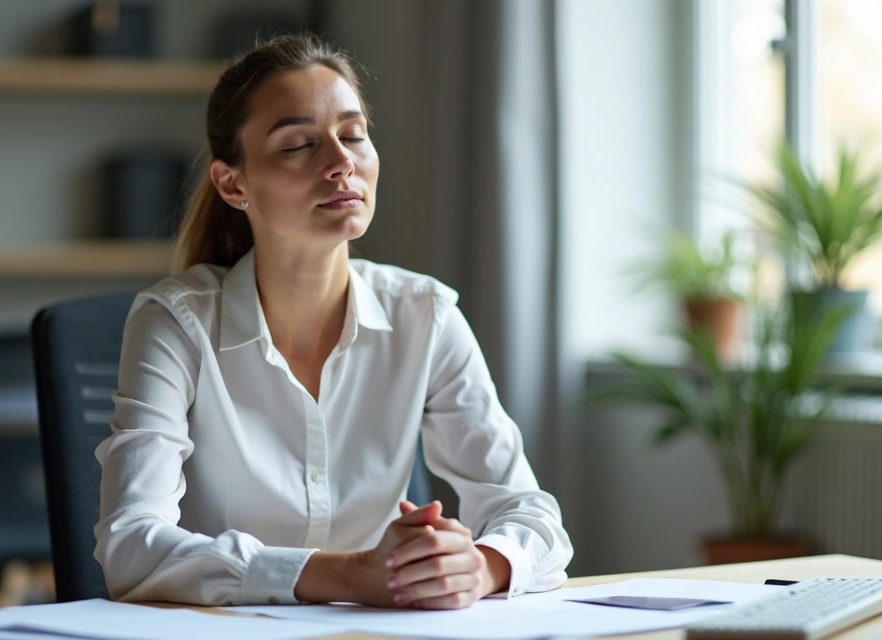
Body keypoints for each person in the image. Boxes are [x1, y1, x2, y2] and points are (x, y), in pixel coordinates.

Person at [94, 33, 572, 610]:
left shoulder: (426, 316)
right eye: (298, 144)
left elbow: (530, 512)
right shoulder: (175, 323)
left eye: (352, 135)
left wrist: (482, 566)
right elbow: (131, 548)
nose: (342, 162)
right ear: (232, 183)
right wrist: (350, 575)